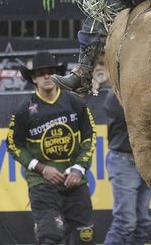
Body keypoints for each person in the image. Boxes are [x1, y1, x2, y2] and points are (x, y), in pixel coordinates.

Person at [7, 51, 95, 245]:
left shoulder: (75, 103)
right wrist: (42, 169)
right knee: (49, 237)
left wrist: (79, 168)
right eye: (41, 73)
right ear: (33, 78)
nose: (47, 76)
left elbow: (90, 136)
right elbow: (13, 145)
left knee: (83, 239)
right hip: (42, 183)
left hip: (75, 181)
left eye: (51, 72)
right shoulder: (24, 109)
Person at [103, 87, 151, 245]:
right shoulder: (114, 95)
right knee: (125, 223)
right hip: (125, 160)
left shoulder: (144, 91)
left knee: (142, 222)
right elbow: (138, 117)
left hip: (147, 162)